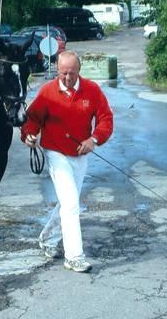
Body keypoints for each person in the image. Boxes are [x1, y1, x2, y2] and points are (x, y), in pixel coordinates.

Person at [20, 50, 113, 273]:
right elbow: (31, 120)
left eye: (72, 73)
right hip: (56, 153)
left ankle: (47, 239)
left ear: (79, 71)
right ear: (57, 70)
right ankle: (74, 257)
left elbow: (106, 119)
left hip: (80, 155)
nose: (67, 78)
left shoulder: (92, 90)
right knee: (72, 205)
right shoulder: (47, 92)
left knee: (66, 203)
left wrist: (94, 139)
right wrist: (29, 136)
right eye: (63, 73)